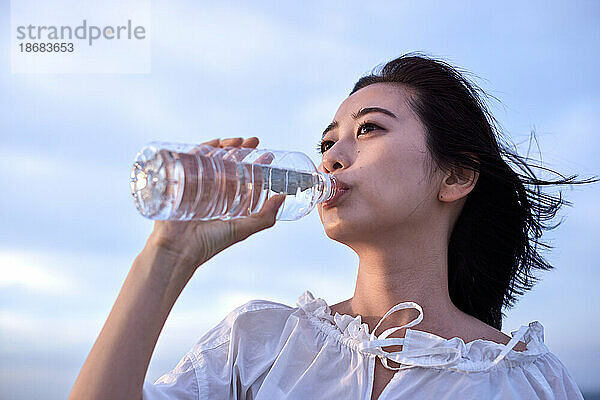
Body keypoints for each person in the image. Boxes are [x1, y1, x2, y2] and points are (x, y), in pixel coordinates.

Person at [69, 53, 594, 400]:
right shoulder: (260, 343)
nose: (332, 159)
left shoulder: (526, 381)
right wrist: (168, 255)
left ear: (455, 175)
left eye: (369, 129)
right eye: (326, 142)